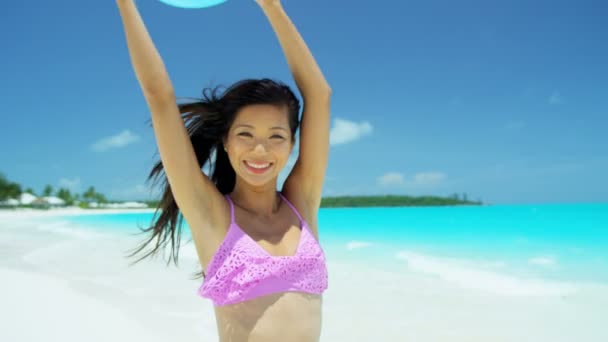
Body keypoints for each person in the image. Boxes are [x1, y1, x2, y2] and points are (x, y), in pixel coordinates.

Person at [116, 0, 332, 341]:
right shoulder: (213, 214)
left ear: (292, 144)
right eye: (245, 135)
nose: (259, 150)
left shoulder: (301, 203)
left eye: (276, 136)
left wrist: (271, 6)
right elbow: (159, 96)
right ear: (227, 142)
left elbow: (319, 94)